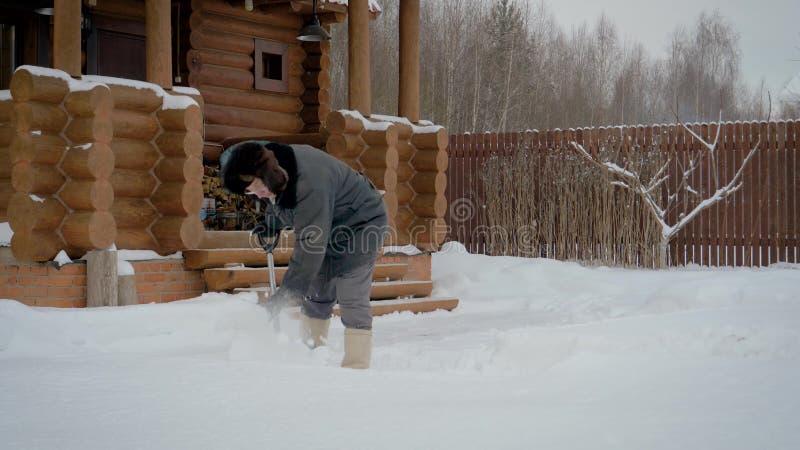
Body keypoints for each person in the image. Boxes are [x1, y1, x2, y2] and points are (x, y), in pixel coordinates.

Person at [219, 140, 387, 369]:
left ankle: (356, 368)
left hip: (360, 225)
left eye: (253, 186)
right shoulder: (277, 173)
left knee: (351, 294)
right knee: (317, 294)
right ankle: (311, 360)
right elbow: (280, 201)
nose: (256, 195)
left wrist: (287, 292)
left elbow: (311, 242)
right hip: (326, 226)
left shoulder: (310, 181)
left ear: (264, 172)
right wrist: (271, 224)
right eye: (249, 192)